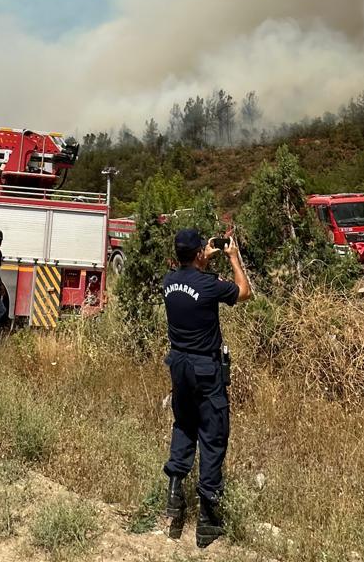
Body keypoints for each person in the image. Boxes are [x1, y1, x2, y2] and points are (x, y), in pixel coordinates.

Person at [161, 228, 252, 549]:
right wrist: (232, 257)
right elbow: (244, 293)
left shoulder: (168, 283)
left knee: (184, 425)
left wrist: (202, 257)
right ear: (198, 253)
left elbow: (187, 277)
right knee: (212, 435)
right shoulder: (210, 285)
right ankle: (209, 519)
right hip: (205, 368)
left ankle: (174, 494)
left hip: (178, 365)